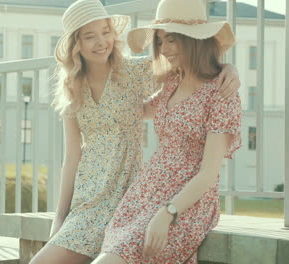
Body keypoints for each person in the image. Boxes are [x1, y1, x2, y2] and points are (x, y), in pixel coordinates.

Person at [30, 0, 240, 263]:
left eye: (105, 32)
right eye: (90, 36)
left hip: (134, 192)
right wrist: (60, 218)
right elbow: (71, 158)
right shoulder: (74, 91)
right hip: (101, 199)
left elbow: (191, 70)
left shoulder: (136, 72)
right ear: (76, 45)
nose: (101, 42)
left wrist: (228, 69)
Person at [92, 0, 242, 263]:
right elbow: (137, 110)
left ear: (195, 39)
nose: (164, 49)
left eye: (172, 40)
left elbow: (208, 174)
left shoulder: (222, 92)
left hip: (187, 202)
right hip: (145, 194)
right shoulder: (172, 80)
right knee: (111, 254)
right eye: (160, 41)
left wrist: (167, 213)